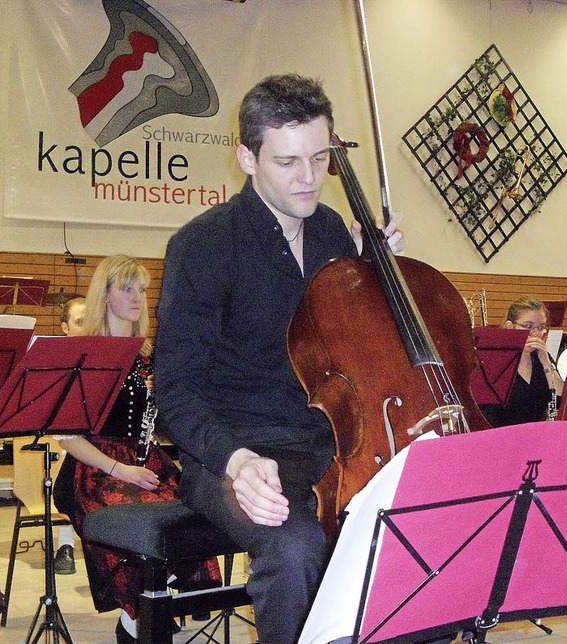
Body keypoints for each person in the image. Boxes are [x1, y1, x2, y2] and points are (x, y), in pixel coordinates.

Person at [156, 73, 406, 644]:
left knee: (412, 531)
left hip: (327, 442)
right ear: (246, 156)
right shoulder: (202, 245)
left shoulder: (333, 235)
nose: (309, 178)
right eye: (287, 162)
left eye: (320, 159)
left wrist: (372, 277)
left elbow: (352, 353)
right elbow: (176, 391)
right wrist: (235, 460)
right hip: (231, 447)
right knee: (294, 547)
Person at [53, 255, 221, 644]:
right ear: (104, 295)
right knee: (142, 523)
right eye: (126, 288)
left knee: (199, 514)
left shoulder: (150, 354)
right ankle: (141, 619)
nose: (138, 297)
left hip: (149, 461)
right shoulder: (86, 354)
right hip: (97, 468)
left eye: (142, 289)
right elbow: (67, 437)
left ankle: (144, 618)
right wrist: (121, 470)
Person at [479, 297, 564, 427]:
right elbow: (485, 411)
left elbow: (561, 400)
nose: (535, 334)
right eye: (528, 326)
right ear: (510, 326)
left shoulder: (543, 358)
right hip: (500, 437)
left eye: (541, 327)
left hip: (537, 436)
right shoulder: (493, 360)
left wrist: (546, 362)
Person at [53, 297, 86, 575]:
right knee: (71, 464)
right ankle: (65, 545)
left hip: (92, 441)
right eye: (79, 322)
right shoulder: (55, 362)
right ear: (65, 328)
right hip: (61, 440)